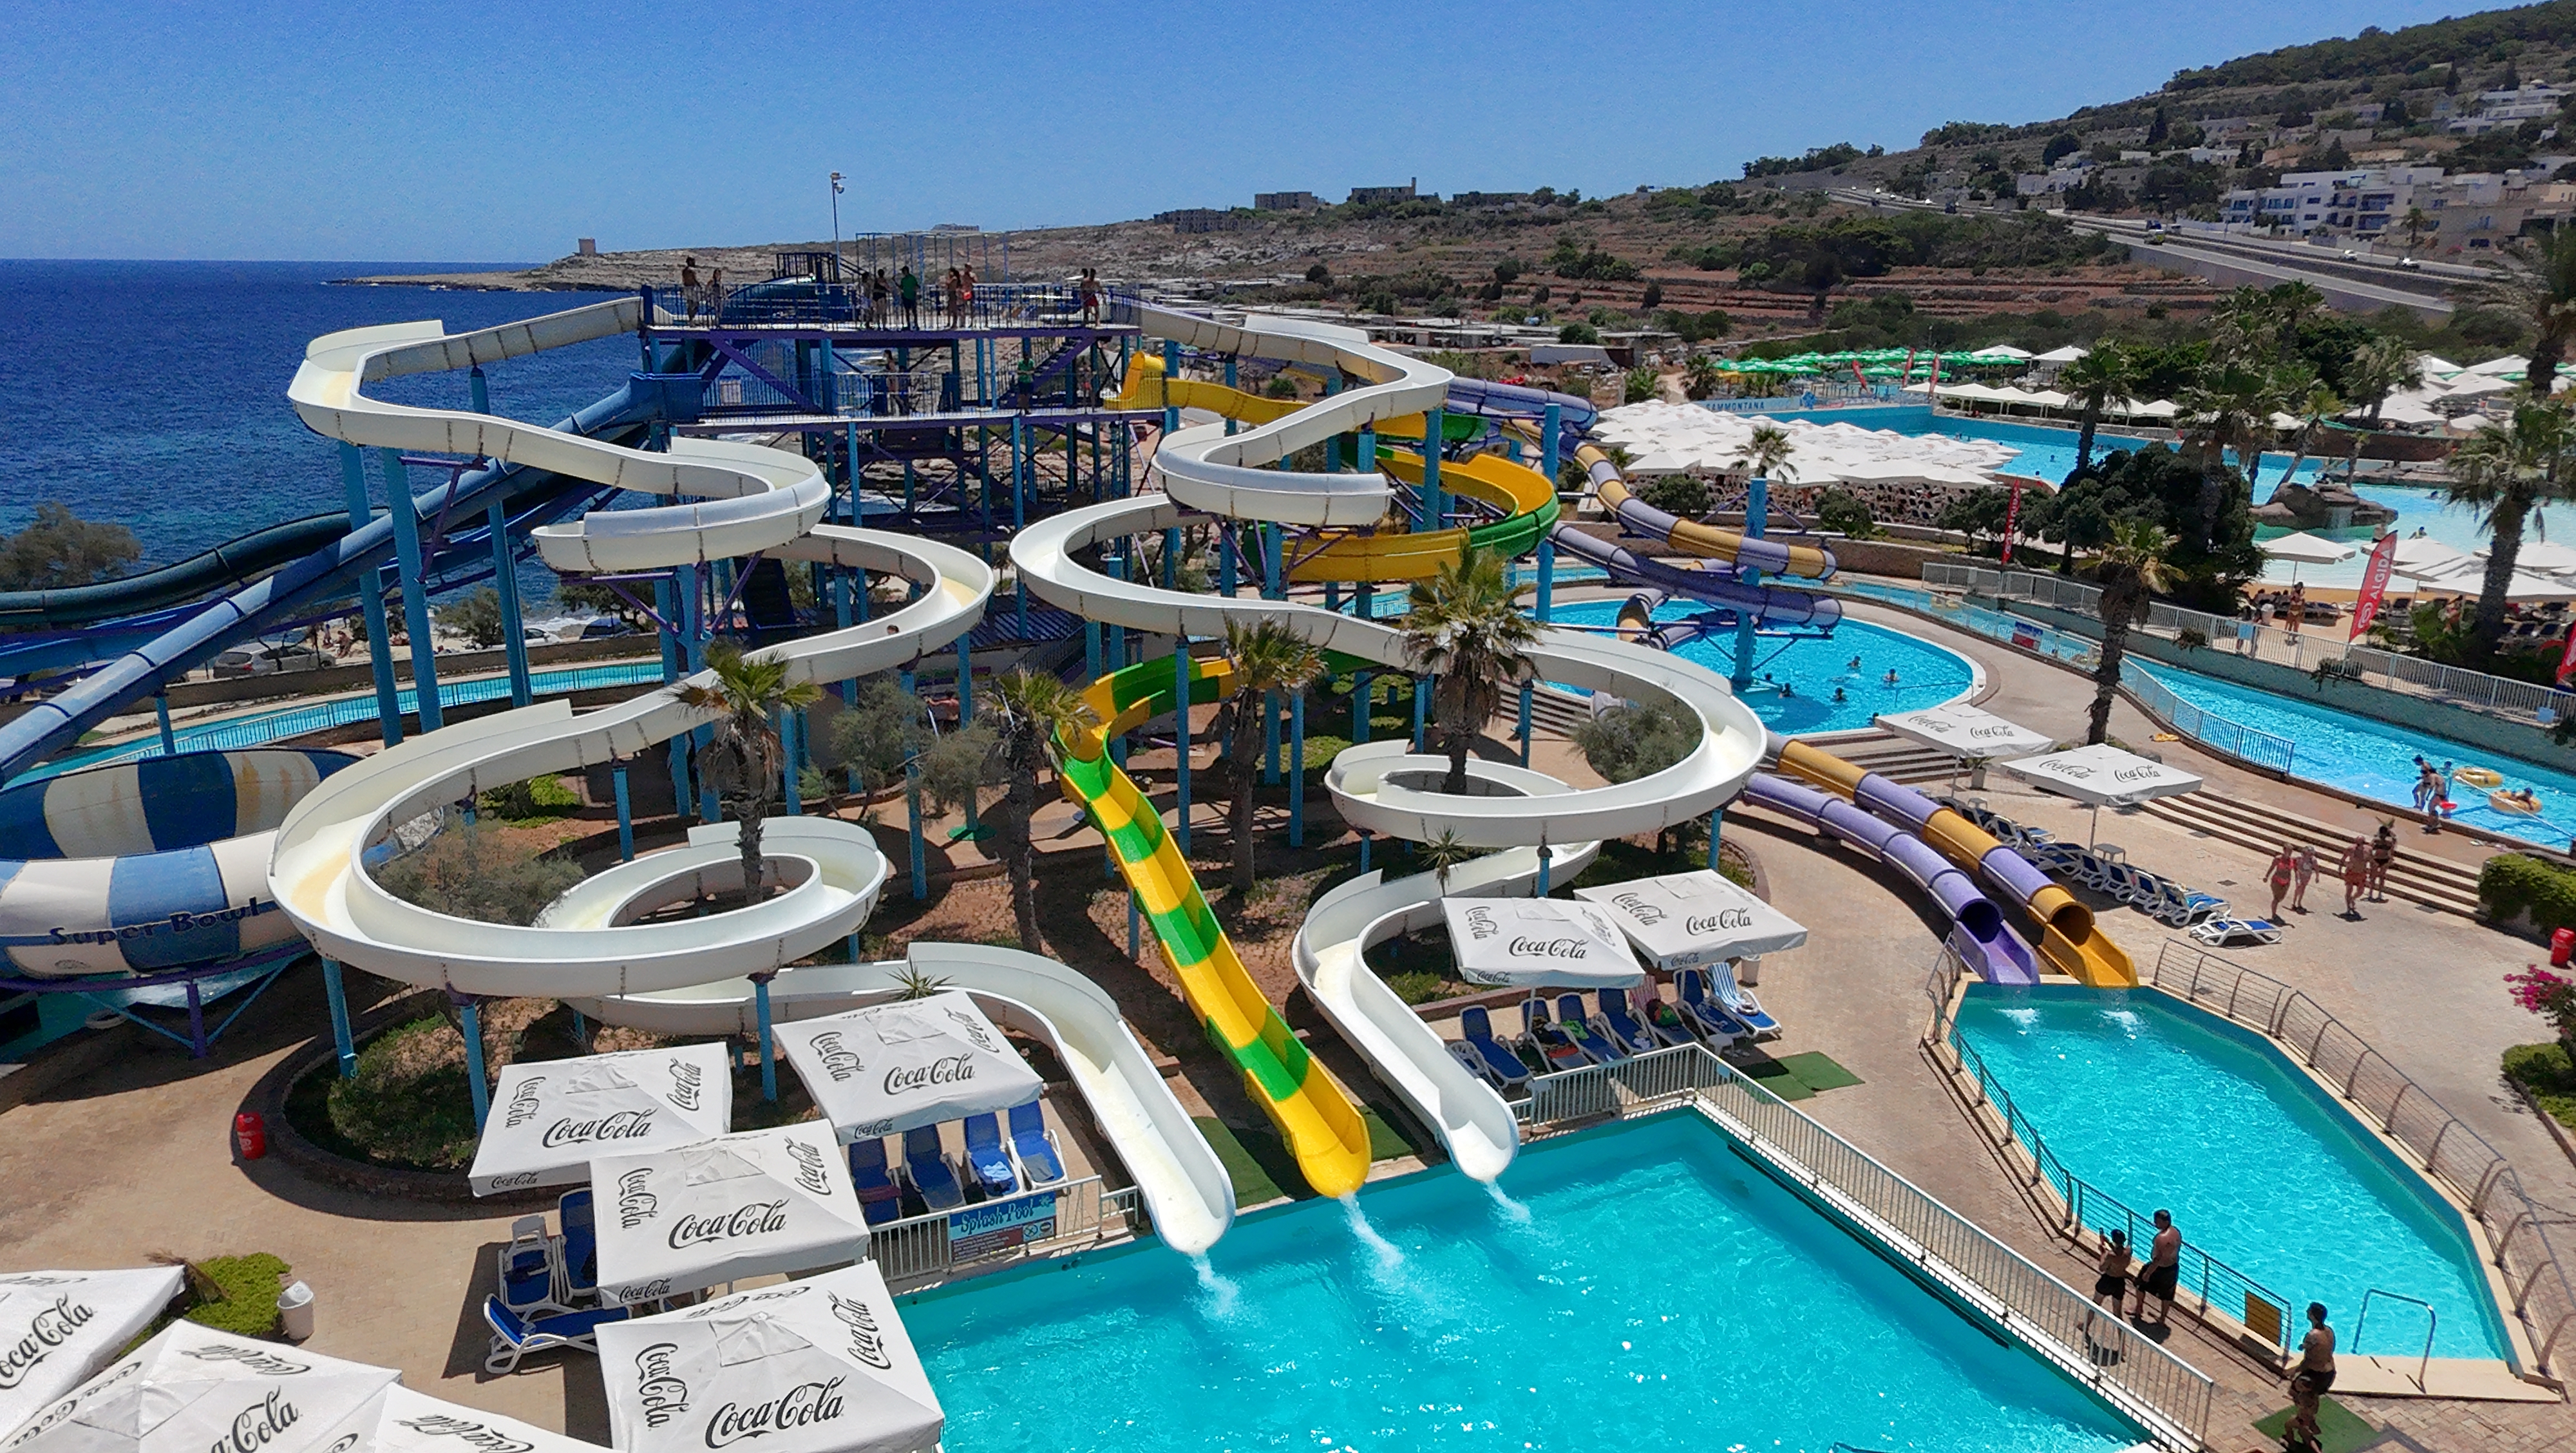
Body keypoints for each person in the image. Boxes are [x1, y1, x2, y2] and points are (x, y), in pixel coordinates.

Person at [2284, 1302, 2336, 1449]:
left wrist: (2294, 1371)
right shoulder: (2329, 1331)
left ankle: (2304, 1424)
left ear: (2312, 1315)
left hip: (2315, 1374)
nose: (2306, 1311)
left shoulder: (2312, 1335)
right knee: (2313, 1397)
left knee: (2295, 1392)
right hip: (2329, 1373)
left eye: (2309, 1311)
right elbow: (2326, 1350)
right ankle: (2310, 1419)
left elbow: (2308, 1360)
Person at [2131, 1210, 2181, 1324]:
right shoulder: (2176, 1232)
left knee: (2140, 1284)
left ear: (2165, 1222)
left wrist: (2148, 1273)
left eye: (2157, 1222)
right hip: (2172, 1268)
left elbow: (2157, 1260)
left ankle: (2139, 1308)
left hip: (2159, 1268)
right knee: (2167, 1295)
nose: (2155, 1224)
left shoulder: (2161, 1238)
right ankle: (2162, 1318)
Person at [2090, 1227, 2132, 1316]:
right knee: (2117, 1312)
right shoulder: (2128, 1251)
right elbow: (2119, 1253)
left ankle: (2086, 1325)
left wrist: (2103, 1253)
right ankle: (2120, 1330)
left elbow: (2102, 1268)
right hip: (2119, 1282)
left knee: (2095, 1305)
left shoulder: (2110, 1255)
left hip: (2107, 1281)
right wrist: (2108, 1243)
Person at [2340, 836, 2370, 916]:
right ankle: (2348, 908)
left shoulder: (2368, 850)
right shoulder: (2351, 849)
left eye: (2360, 843)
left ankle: (2353, 899)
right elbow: (2343, 859)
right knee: (2349, 890)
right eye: (2357, 843)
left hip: (2361, 873)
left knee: (2361, 891)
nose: (2358, 845)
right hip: (2351, 873)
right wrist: (2340, 870)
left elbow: (2372, 861)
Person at [2267, 844, 2297, 920]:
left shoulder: (2292, 860)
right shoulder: (2278, 859)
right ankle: (2273, 914)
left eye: (2291, 851)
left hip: (2286, 882)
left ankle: (2274, 913)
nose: (2290, 853)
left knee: (2281, 898)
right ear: (2284, 850)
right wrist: (2267, 876)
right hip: (2277, 880)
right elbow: (2272, 867)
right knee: (2276, 898)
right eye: (2288, 851)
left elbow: (2295, 870)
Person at [2369, 823, 2396, 901]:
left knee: (2381, 877)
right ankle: (2372, 893)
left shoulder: (2385, 842)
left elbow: (2392, 851)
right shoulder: (2377, 841)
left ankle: (2378, 893)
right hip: (2378, 859)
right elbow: (2369, 849)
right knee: (2375, 877)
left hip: (2383, 859)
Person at [2290, 842, 2318, 914]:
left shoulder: (2313, 860)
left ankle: (2299, 902)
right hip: (2299, 874)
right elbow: (2293, 861)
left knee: (2303, 888)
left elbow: (2317, 868)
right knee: (2298, 887)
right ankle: (2294, 902)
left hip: (2307, 875)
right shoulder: (2300, 857)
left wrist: (2317, 877)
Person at [898, 264, 920, 328]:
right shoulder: (903, 280)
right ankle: (909, 324)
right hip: (906, 296)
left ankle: (916, 324)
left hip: (912, 296)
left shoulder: (912, 278)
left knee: (914, 311)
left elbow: (917, 286)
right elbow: (901, 287)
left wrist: (915, 289)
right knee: (907, 311)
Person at [679, 256, 701, 321]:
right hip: (692, 288)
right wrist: (699, 285)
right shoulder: (692, 270)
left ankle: (690, 319)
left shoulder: (684, 271)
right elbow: (694, 279)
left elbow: (683, 280)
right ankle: (692, 318)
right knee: (696, 304)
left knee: (689, 304)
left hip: (686, 287)